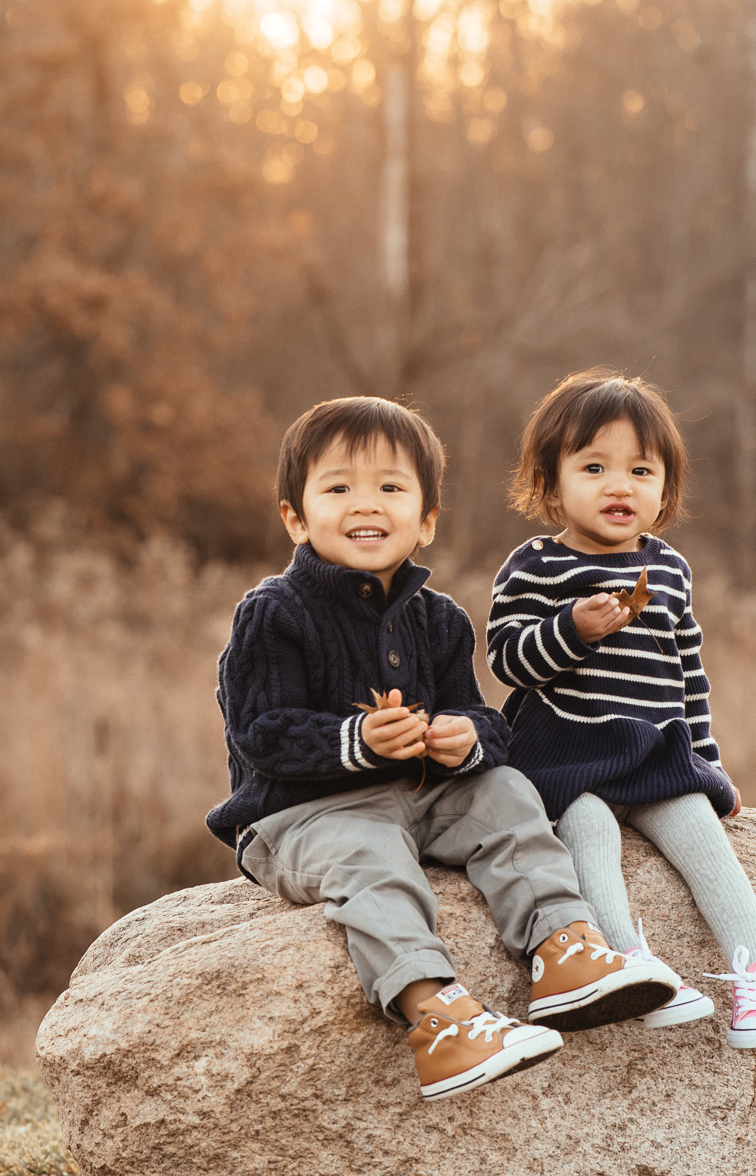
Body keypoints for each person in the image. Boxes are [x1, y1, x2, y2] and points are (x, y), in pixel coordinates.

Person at [207, 395, 676, 1101]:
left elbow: (484, 719)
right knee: (372, 859)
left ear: (425, 518)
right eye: (338, 489)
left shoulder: (441, 620)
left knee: (507, 793)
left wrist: (465, 741)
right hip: (301, 817)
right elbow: (261, 733)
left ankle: (562, 949)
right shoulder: (274, 613)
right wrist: (354, 739)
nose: (366, 505)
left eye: (391, 488)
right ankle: (439, 1018)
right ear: (295, 517)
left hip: (424, 796)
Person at [487, 370, 756, 1050]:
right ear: (550, 484)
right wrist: (571, 630)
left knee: (703, 839)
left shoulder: (670, 571)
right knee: (589, 835)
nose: (618, 485)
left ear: (666, 490)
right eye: (593, 466)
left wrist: (708, 765)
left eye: (640, 470)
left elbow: (690, 676)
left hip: (654, 753)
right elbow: (505, 660)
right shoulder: (534, 568)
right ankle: (634, 963)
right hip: (568, 758)